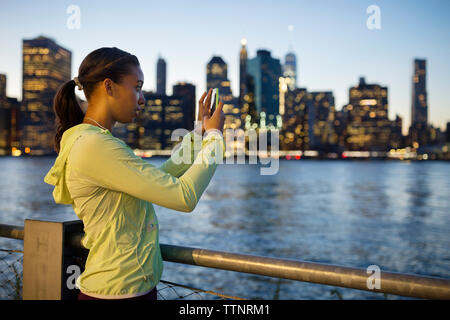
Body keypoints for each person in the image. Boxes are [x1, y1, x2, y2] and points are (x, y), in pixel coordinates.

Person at [44, 47, 225, 300]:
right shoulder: (94, 145)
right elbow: (183, 196)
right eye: (137, 87)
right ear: (109, 87)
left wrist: (198, 134)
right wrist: (216, 138)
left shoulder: (95, 141)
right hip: (115, 295)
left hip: (127, 291)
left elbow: (160, 179)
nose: (142, 99)